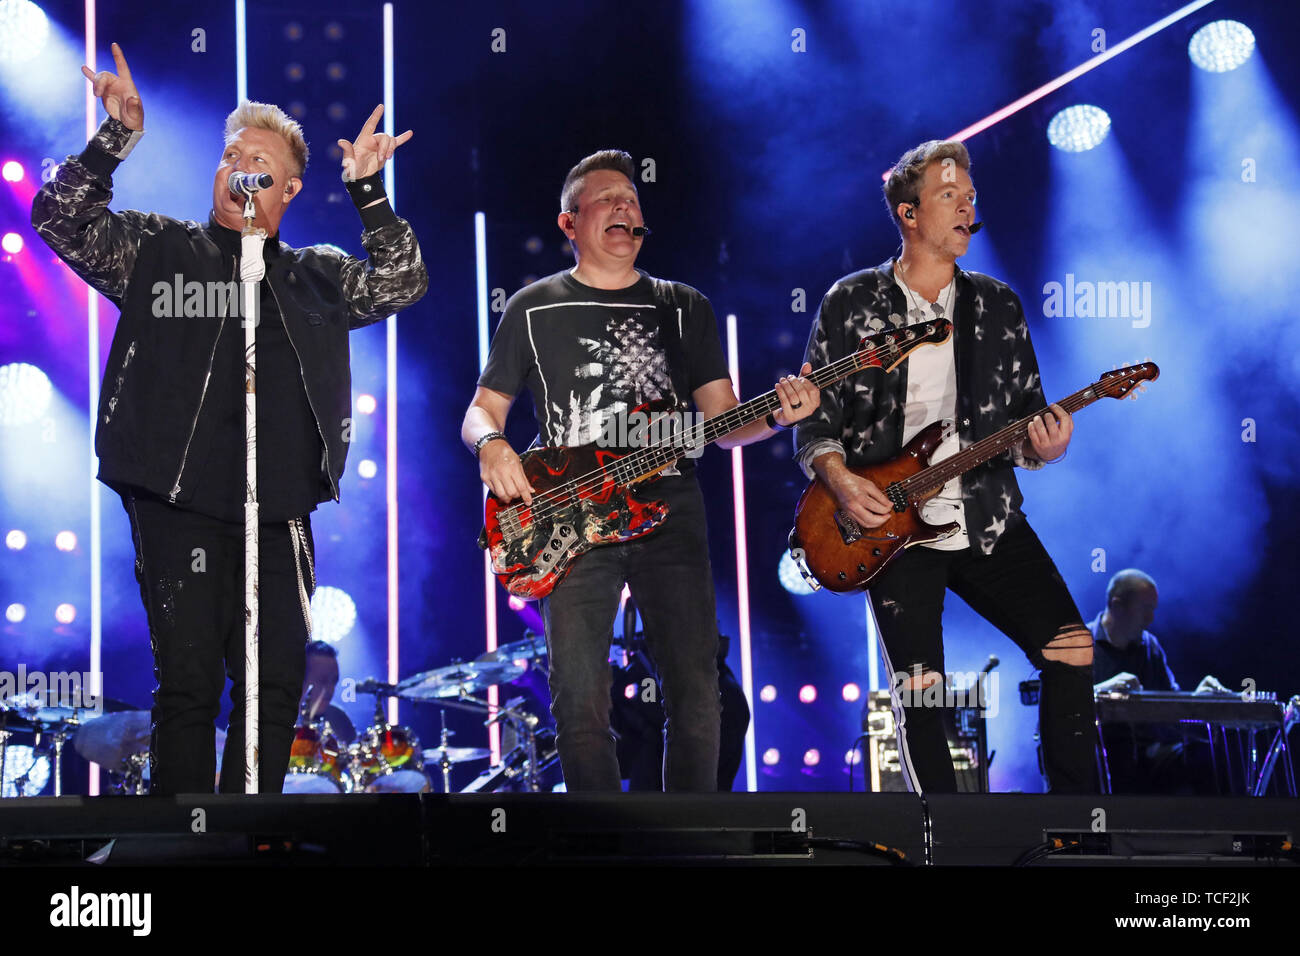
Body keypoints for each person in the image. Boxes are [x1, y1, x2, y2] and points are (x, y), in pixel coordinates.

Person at [32, 44, 427, 794]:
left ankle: (253, 840)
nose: (238, 165)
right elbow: (57, 217)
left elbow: (402, 281)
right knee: (186, 686)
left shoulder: (316, 275)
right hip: (177, 500)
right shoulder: (159, 249)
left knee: (273, 688)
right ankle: (187, 840)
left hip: (279, 510)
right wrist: (114, 137)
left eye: (258, 158)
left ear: (290, 187)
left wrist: (370, 193)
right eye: (230, 153)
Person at [462, 149, 816, 791]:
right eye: (606, 199)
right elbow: (482, 411)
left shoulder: (685, 307)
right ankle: (599, 844)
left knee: (697, 689)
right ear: (570, 223)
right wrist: (492, 446)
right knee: (578, 698)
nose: (625, 207)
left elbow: (726, 422)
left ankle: (688, 841)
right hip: (566, 518)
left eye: (631, 198)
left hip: (669, 509)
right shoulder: (531, 308)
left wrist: (780, 417)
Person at [794, 139, 1097, 794]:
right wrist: (842, 482)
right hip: (894, 527)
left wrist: (1045, 448)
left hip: (988, 513)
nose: (967, 206)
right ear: (908, 213)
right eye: (949, 195)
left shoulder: (998, 305)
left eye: (971, 197)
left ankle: (1079, 829)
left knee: (1072, 649)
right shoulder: (852, 303)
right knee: (922, 692)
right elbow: (814, 420)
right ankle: (943, 836)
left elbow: (1027, 417)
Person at [1090, 569, 1226, 793]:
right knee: (1119, 752)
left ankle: (1218, 825)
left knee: (1205, 754)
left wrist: (1196, 700)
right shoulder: (1080, 645)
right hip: (1098, 755)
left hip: (1148, 754)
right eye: (1144, 609)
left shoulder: (1150, 646)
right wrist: (1102, 691)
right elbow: (1062, 705)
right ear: (1116, 606)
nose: (1150, 619)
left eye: (1152, 610)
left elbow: (1172, 708)